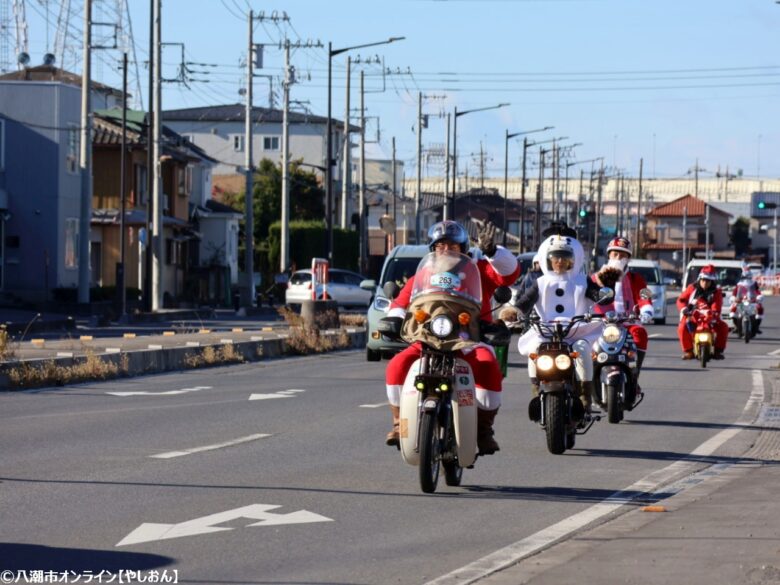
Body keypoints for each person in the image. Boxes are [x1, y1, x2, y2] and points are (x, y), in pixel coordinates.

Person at [381, 220, 520, 455]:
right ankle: (398, 424)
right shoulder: (423, 275)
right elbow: (401, 301)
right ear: (432, 249)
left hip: (469, 338)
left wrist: (493, 253)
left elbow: (509, 275)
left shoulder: (479, 270)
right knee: (397, 364)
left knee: (488, 364)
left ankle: (483, 429)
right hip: (427, 338)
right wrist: (394, 318)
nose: (446, 250)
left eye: (453, 246)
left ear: (463, 249)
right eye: (440, 245)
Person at [515, 232, 620, 414]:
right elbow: (525, 302)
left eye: (565, 258)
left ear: (573, 260)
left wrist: (608, 289)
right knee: (534, 350)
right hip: (545, 331)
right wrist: (513, 312)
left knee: (582, 349)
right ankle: (535, 392)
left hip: (576, 331)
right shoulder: (540, 282)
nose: (560, 262)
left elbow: (600, 299)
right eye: (555, 258)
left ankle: (584, 397)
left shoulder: (582, 281)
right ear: (547, 260)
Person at [591, 236, 654, 385]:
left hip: (627, 321)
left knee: (640, 333)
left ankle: (633, 375)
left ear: (628, 258)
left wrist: (646, 310)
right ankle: (589, 384)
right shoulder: (595, 278)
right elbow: (586, 299)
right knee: (586, 343)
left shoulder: (636, 278)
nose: (618, 257)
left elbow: (645, 295)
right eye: (615, 254)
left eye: (623, 254)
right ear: (609, 255)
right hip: (602, 323)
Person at [676, 264, 729, 360]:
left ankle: (718, 351)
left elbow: (716, 305)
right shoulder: (691, 288)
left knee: (723, 327)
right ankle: (689, 351)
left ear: (712, 281)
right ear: (699, 279)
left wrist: (714, 313)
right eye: (703, 280)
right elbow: (681, 300)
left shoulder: (716, 292)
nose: (705, 283)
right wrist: (684, 309)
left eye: (708, 281)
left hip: (710, 317)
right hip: (692, 315)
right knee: (682, 327)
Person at [729, 266, 763, 335]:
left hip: (752, 301)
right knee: (733, 310)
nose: (746, 278)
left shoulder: (754, 283)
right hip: (741, 302)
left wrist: (759, 297)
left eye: (748, 276)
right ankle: (736, 327)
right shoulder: (739, 284)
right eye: (745, 276)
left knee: (760, 309)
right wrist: (733, 298)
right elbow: (734, 293)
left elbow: (757, 292)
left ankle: (756, 327)